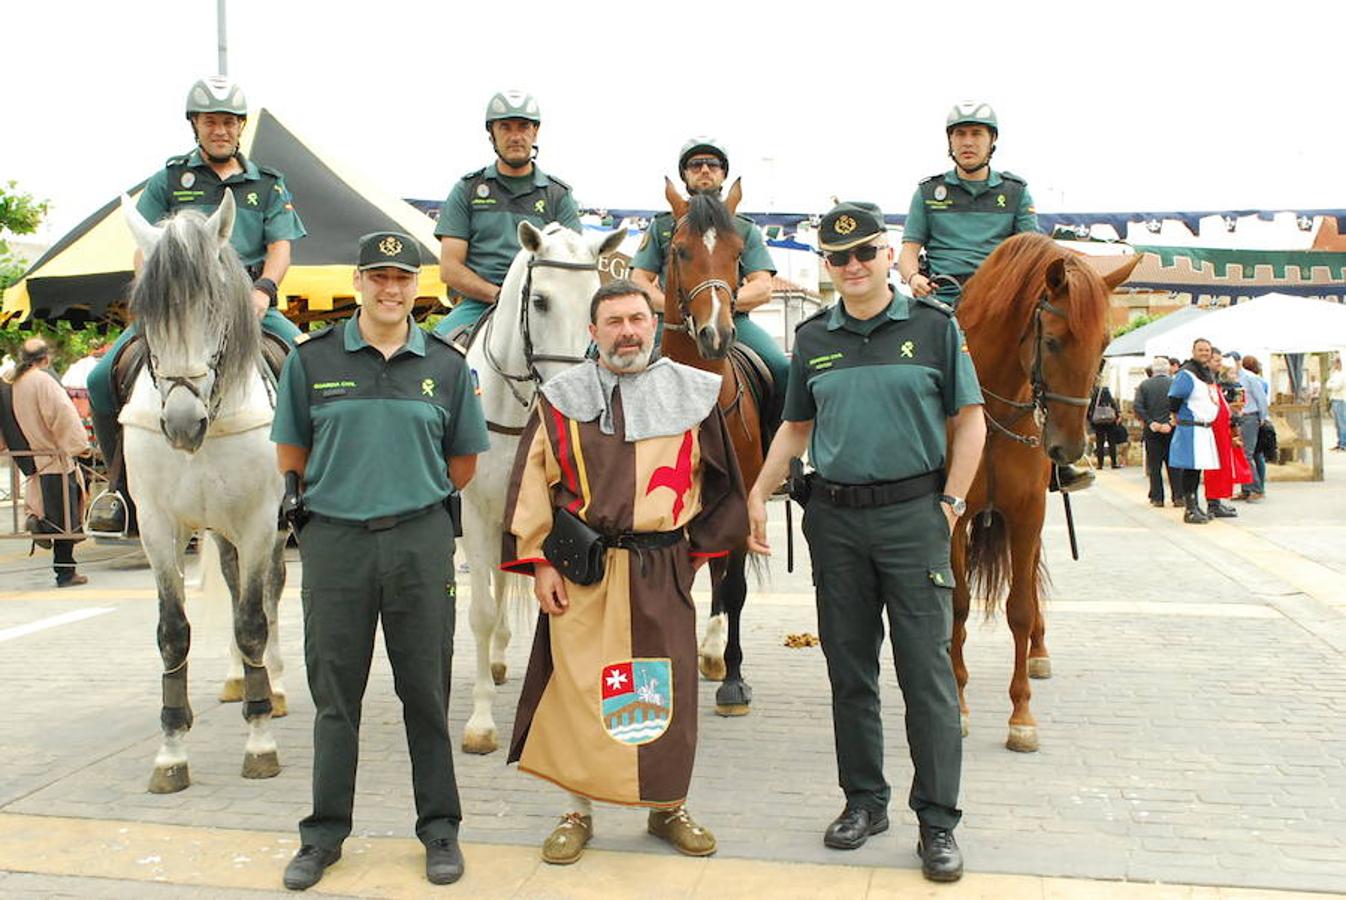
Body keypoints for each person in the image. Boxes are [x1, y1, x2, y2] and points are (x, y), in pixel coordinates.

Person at [747, 203, 985, 883]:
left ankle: (937, 821)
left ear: (887, 255)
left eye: (865, 254)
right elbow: (795, 429)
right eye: (837, 258)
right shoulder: (812, 337)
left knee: (926, 675)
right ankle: (864, 802)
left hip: (915, 518)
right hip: (836, 522)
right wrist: (757, 495)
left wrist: (952, 505)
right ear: (825, 266)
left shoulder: (935, 328)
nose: (853, 266)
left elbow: (970, 423)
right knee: (850, 674)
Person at [499, 279, 747, 865]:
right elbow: (535, 481)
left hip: (662, 565)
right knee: (582, 687)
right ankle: (576, 810)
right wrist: (540, 564)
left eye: (637, 318)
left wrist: (694, 555)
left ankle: (667, 807)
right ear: (593, 332)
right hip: (585, 566)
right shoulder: (561, 396)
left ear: (654, 323)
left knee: (665, 688)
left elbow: (722, 483)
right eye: (614, 322)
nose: (628, 331)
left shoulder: (696, 393)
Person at [272, 232, 489, 890]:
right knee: (335, 697)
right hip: (335, 543)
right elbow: (292, 455)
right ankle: (324, 835)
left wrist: (405, 497)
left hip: (420, 541)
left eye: (402, 279)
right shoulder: (310, 362)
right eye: (378, 277)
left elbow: (463, 464)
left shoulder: (448, 367)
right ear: (359, 282)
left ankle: (440, 829)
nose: (390, 290)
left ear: (416, 288)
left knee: (426, 692)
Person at [87, 75, 306, 535]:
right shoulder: (169, 179)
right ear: (196, 125)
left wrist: (262, 290)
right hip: (178, 308)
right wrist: (156, 295)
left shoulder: (267, 184)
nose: (220, 130)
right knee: (99, 378)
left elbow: (281, 247)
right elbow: (143, 244)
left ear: (240, 127)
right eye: (211, 122)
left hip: (247, 304)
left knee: (305, 368)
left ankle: (302, 484)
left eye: (228, 122)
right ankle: (119, 489)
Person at [895, 101, 1088, 494]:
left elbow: (1035, 250)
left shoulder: (1015, 192)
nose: (968, 142)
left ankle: (1059, 460)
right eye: (960, 134)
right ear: (950, 142)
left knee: (1049, 355)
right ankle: (903, 450)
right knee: (904, 362)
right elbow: (909, 250)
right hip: (943, 297)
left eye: (976, 134)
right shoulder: (929, 192)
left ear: (992, 141)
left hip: (1005, 301)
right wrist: (913, 276)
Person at [629, 137, 790, 409]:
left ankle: (780, 448)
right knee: (605, 359)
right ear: (684, 175)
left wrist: (716, 306)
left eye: (713, 164)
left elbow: (763, 286)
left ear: (723, 173)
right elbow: (639, 280)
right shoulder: (662, 226)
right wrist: (675, 309)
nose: (704, 169)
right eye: (695, 164)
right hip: (670, 325)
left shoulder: (743, 228)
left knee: (782, 368)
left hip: (733, 320)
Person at [432, 90, 581, 339]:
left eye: (523, 127)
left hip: (544, 305)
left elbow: (573, 262)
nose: (515, 136)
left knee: (592, 359)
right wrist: (502, 295)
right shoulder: (467, 189)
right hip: (479, 305)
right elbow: (450, 268)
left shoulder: (558, 195)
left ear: (535, 132)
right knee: (436, 355)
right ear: (492, 134)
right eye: (505, 128)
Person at [0, 339, 90, 586]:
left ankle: (38, 520)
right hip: (55, 459)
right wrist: (79, 446)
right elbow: (63, 415)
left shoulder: (12, 382)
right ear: (46, 358)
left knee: (54, 514)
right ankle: (65, 572)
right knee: (64, 520)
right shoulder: (42, 380)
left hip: (33, 460)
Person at [1168, 338, 1221, 525]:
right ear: (1193, 351)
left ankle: (1196, 506)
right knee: (1190, 469)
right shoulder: (1187, 374)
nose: (1204, 353)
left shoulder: (1206, 374)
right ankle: (1190, 508)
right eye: (1201, 350)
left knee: (1197, 469)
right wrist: (1175, 415)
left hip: (1203, 428)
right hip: (1191, 428)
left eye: (1207, 350)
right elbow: (1174, 398)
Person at [1201, 348, 1251, 518]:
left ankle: (1217, 501)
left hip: (1222, 429)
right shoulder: (1204, 380)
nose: (1219, 364)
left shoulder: (1214, 380)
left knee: (1221, 466)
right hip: (1213, 430)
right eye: (1216, 360)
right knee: (1214, 467)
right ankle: (1212, 503)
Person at [1134, 355, 1181, 507]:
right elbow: (1180, 405)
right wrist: (1170, 422)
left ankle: (1157, 497)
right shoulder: (1175, 384)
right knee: (1174, 465)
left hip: (1152, 430)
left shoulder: (1144, 385)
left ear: (1153, 370)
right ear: (1168, 369)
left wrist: (1151, 422)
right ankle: (1178, 496)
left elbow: (1138, 406)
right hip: (1172, 429)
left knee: (1154, 466)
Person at [1235, 353, 1271, 500]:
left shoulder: (1249, 378)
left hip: (1250, 416)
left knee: (1247, 454)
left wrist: (1263, 417)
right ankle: (1246, 488)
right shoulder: (1233, 378)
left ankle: (1256, 488)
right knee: (1242, 453)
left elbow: (1261, 398)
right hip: (1240, 417)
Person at [1088, 382, 1121, 469]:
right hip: (1110, 422)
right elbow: (1114, 407)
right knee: (1112, 443)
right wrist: (1117, 417)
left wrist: (1090, 420)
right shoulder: (1108, 396)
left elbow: (1090, 408)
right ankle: (1113, 463)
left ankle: (1100, 464)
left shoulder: (1095, 397)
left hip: (1098, 423)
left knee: (1099, 443)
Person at [1325, 354, 1346, 452]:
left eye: (1335, 362)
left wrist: (1331, 385)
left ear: (1339, 362)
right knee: (1337, 423)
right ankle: (1339, 442)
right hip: (1334, 399)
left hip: (1341, 400)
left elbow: (1337, 386)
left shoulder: (1343, 374)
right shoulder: (1335, 373)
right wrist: (1331, 385)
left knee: (1342, 423)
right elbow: (1327, 384)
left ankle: (1343, 444)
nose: (1334, 364)